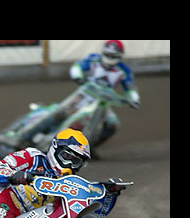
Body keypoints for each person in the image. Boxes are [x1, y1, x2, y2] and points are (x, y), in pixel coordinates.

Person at [7, 40, 140, 149]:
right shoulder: (94, 60)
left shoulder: (124, 71)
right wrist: (78, 76)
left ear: (120, 55)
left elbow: (130, 88)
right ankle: (23, 137)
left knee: (113, 124)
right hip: (84, 93)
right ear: (104, 52)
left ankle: (91, 147)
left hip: (103, 102)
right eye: (108, 55)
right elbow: (77, 67)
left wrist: (134, 99)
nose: (110, 59)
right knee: (59, 113)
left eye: (113, 56)